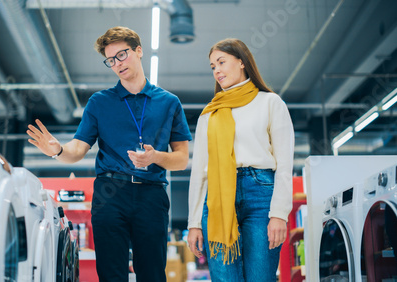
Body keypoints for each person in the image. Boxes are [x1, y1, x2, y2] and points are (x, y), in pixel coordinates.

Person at [27, 26, 192, 282]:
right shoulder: (99, 102)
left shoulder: (169, 102)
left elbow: (181, 159)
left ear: (138, 51)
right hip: (109, 193)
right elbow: (78, 149)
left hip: (152, 194)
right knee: (111, 273)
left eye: (122, 55)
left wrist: (155, 157)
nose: (117, 63)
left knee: (152, 274)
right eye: (111, 60)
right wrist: (58, 150)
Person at [186, 38, 294, 282]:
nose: (217, 70)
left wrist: (279, 213)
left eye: (221, 62)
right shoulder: (209, 114)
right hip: (217, 199)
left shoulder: (270, 102)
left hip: (261, 195)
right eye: (213, 66)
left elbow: (285, 164)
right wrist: (193, 223)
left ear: (242, 62)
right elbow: (199, 174)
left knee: (260, 277)